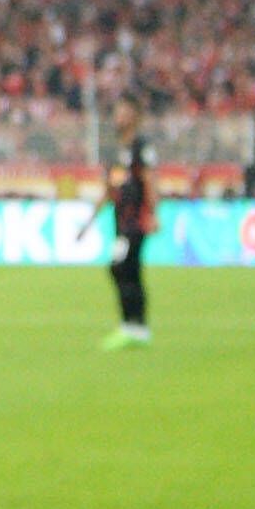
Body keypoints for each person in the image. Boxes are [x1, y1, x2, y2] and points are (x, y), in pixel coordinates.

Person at [104, 100, 156, 350]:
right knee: (128, 270)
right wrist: (90, 221)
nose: (117, 118)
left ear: (133, 118)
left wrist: (153, 213)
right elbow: (110, 188)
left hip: (135, 220)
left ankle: (131, 325)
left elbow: (148, 180)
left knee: (120, 267)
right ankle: (138, 328)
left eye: (122, 113)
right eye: (116, 113)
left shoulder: (139, 147)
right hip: (120, 219)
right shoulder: (117, 151)